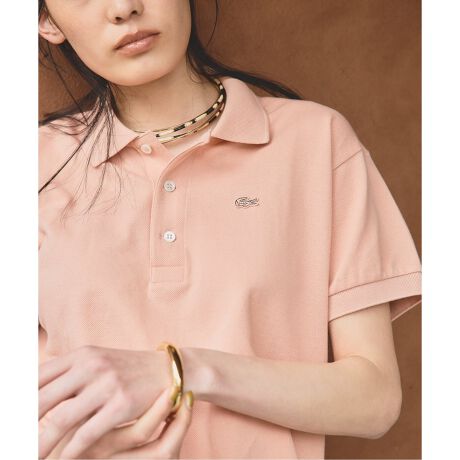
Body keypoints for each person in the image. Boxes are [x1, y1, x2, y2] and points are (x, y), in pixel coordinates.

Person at [38, 1, 422, 459]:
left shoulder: (316, 141)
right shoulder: (33, 166)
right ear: (47, 21)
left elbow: (375, 400)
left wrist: (183, 371)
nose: (124, 8)